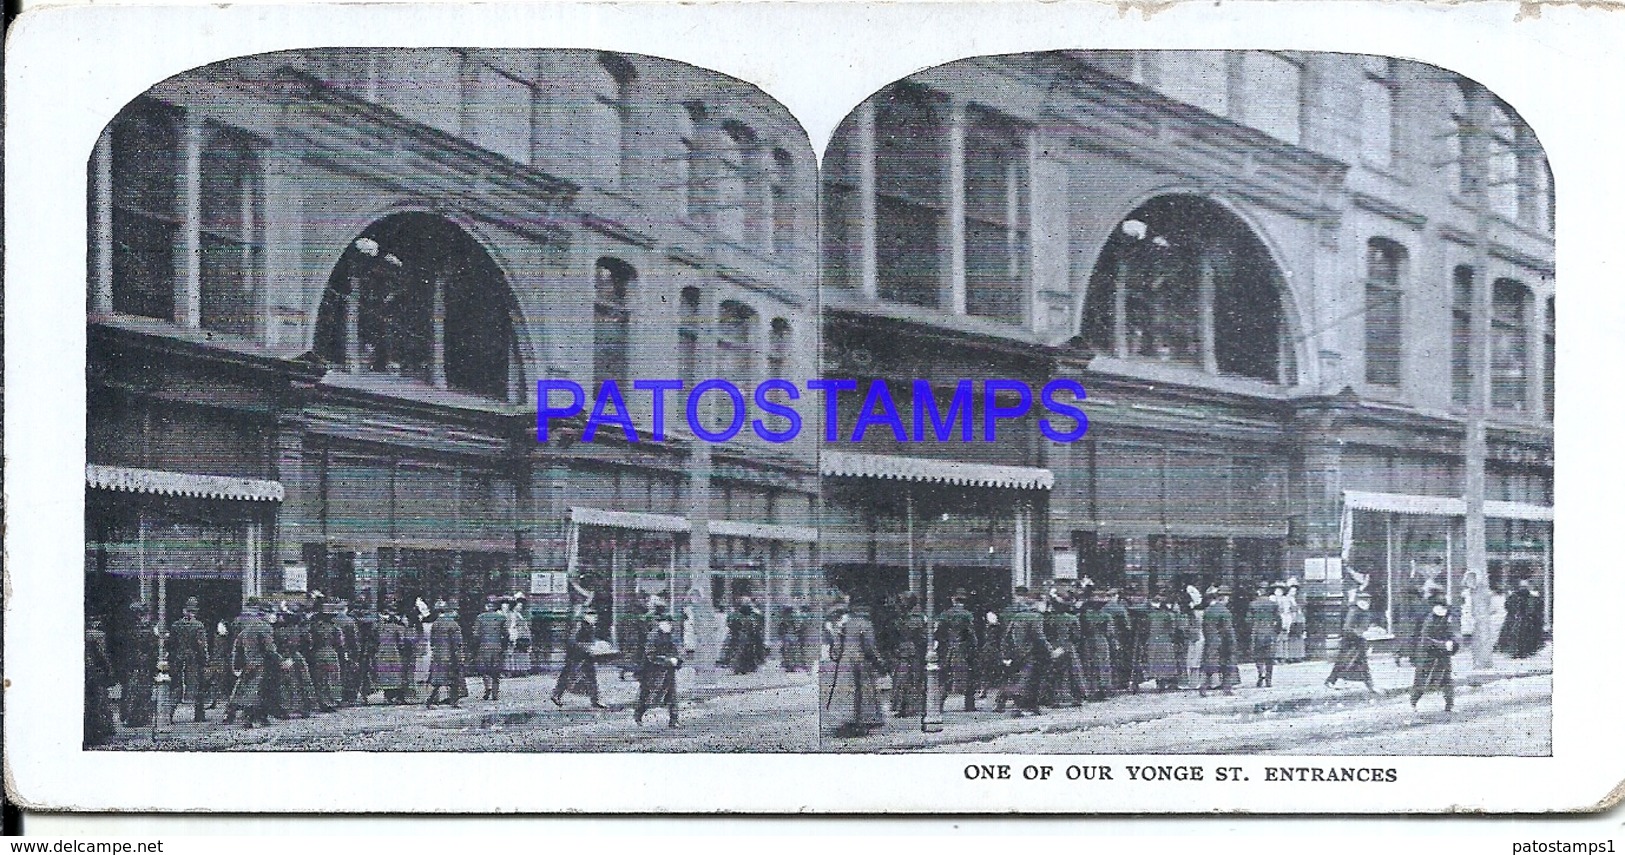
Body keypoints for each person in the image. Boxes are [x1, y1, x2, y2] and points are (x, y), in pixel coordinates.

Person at [827, 603, 884, 736]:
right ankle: (861, 722)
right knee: (864, 691)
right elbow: (870, 647)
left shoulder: (844, 624)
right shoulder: (866, 624)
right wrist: (879, 661)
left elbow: (836, 648)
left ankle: (845, 721)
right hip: (860, 661)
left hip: (845, 662)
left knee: (846, 691)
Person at [995, 590, 1054, 716]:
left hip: (1016, 652)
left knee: (1015, 678)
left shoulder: (1018, 615)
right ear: (1037, 603)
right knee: (1029, 680)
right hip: (1030, 652)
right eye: (1044, 602)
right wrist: (1050, 650)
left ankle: (1004, 702)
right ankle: (1021, 707)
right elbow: (1039, 636)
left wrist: (1006, 652)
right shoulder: (1037, 616)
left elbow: (1007, 635)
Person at [226, 598, 279, 729]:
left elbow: (237, 644)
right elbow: (270, 649)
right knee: (257, 691)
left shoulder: (249, 626)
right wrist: (280, 660)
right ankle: (252, 718)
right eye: (271, 613)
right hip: (261, 663)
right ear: (265, 613)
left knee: (245, 689)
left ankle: (231, 713)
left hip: (248, 662)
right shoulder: (265, 627)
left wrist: (237, 662)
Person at [1410, 593, 1460, 713]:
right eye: (1439, 607)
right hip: (1427, 655)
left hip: (1442, 655)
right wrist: (1443, 645)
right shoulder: (1429, 620)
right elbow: (1426, 640)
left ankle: (1450, 705)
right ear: (1434, 608)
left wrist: (1453, 644)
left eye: (1443, 607)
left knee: (1447, 680)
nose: (1441, 610)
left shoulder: (1446, 620)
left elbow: (1451, 635)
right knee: (1422, 680)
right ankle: (1413, 702)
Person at [551, 608, 608, 709]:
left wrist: (597, 645)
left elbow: (590, 640)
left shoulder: (590, 627)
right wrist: (586, 647)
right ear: (585, 616)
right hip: (575, 656)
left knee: (591, 677)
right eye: (591, 615)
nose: (594, 618)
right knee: (568, 675)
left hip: (585, 656)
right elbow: (573, 641)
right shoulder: (580, 626)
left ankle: (595, 700)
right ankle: (556, 695)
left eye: (595, 615)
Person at [634, 616, 682, 727]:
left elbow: (678, 650)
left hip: (668, 670)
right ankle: (638, 713)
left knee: (672, 695)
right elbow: (650, 655)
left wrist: (677, 660)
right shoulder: (653, 636)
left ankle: (674, 720)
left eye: (670, 623)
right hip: (652, 671)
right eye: (666, 623)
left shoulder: (672, 635)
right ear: (660, 624)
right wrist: (667, 660)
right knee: (647, 694)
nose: (669, 626)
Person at [1326, 591, 1379, 693]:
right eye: (1363, 600)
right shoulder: (1354, 610)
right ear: (1358, 601)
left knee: (1362, 664)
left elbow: (1364, 625)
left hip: (1358, 643)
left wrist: (1372, 629)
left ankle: (1370, 685)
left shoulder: (1365, 612)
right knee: (1343, 662)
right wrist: (1360, 633)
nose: (1366, 603)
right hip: (1350, 643)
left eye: (1367, 600)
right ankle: (1331, 681)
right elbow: (1347, 628)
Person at [117, 601, 158, 728]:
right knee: (141, 690)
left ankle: (127, 716)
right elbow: (152, 647)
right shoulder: (145, 630)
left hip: (129, 663)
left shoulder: (125, 629)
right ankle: (137, 717)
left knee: (129, 690)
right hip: (142, 664)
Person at [168, 597, 210, 723]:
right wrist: (205, 659)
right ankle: (199, 715)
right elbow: (201, 645)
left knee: (176, 686)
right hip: (194, 659)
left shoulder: (175, 625)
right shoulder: (198, 626)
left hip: (178, 658)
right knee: (198, 686)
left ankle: (169, 713)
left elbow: (171, 644)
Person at [935, 592, 978, 713]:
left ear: (953, 600)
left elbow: (938, 631)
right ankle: (969, 705)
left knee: (946, 677)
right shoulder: (967, 615)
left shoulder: (945, 614)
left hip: (948, 649)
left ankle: (939, 705)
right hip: (963, 650)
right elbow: (971, 634)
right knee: (969, 677)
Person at [272, 606, 317, 719]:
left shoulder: (278, 631)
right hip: (296, 656)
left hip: (285, 657)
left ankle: (286, 709)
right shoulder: (297, 630)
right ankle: (305, 707)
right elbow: (306, 643)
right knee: (302, 681)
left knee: (286, 683)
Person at [1042, 591, 1084, 707]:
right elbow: (1077, 636)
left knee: (1053, 673)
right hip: (1068, 647)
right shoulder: (1072, 619)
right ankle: (1077, 698)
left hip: (1054, 647)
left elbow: (1045, 634)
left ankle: (1052, 699)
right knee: (1073, 673)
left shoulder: (1048, 619)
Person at [425, 600, 467, 708]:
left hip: (438, 655)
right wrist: (460, 656)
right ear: (451, 611)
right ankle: (454, 701)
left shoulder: (436, 623)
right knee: (455, 679)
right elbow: (457, 643)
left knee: (437, 680)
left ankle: (432, 700)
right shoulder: (453, 624)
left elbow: (433, 641)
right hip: (451, 656)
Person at [891, 594, 927, 717]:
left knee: (909, 679)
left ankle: (909, 707)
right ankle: (905, 707)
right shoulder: (905, 619)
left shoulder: (913, 619)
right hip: (906, 652)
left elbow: (921, 637)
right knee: (905, 680)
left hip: (910, 652)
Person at [1198, 586, 1239, 697]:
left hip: (1210, 641)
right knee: (1228, 664)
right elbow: (1228, 630)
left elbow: (1205, 627)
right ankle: (1227, 688)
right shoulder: (1225, 611)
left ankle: (1203, 687)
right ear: (1224, 597)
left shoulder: (1208, 610)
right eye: (1228, 597)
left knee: (1210, 665)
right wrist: (1232, 643)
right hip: (1223, 642)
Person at [1141, 591, 1185, 692]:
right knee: (1166, 662)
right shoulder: (1168, 615)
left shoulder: (1150, 615)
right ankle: (1169, 682)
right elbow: (1173, 629)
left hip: (1152, 640)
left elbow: (1146, 628)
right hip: (1165, 641)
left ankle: (1159, 683)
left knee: (1155, 662)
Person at [1077, 590, 1114, 702]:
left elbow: (1081, 630)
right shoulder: (1106, 616)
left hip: (1088, 641)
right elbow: (1110, 632)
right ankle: (1103, 689)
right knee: (1103, 664)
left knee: (1090, 664)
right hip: (1101, 640)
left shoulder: (1085, 615)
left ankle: (1092, 689)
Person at [85, 615, 116, 746]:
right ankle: (100, 730)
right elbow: (102, 654)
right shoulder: (98, 635)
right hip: (94, 670)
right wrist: (110, 670)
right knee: (99, 699)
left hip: (86, 669)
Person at [1496, 578, 1546, 659]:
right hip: (1516, 620)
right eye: (1522, 586)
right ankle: (1514, 651)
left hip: (1528, 621)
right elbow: (1508, 606)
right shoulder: (1513, 597)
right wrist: (1515, 613)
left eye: (1525, 586)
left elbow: (1536, 609)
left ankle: (1528, 650)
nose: (1523, 588)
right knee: (1514, 632)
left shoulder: (1533, 598)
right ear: (1519, 587)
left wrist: (1531, 615)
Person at [471, 596, 509, 701]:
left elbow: (475, 635)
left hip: (484, 647)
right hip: (497, 647)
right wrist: (503, 646)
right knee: (496, 671)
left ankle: (488, 687)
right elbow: (506, 634)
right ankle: (495, 694)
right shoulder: (501, 618)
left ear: (486, 606)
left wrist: (475, 646)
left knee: (484, 670)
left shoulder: (480, 617)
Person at [308, 605, 343, 712]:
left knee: (320, 679)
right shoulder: (335, 628)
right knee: (333, 678)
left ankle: (323, 701)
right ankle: (333, 700)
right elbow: (340, 643)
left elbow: (310, 642)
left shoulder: (313, 627)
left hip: (318, 654)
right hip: (331, 654)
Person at [374, 610, 412, 704]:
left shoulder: (380, 628)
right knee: (397, 676)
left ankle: (387, 696)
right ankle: (399, 697)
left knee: (386, 676)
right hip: (394, 654)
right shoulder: (398, 628)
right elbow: (402, 642)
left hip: (381, 654)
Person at [1245, 585, 1280, 688]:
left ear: (1258, 592)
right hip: (1270, 632)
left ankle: (1261, 674)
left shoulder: (1253, 604)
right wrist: (1276, 632)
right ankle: (1269, 679)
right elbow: (1278, 620)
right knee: (1270, 658)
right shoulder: (1273, 604)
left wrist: (1251, 631)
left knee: (1258, 656)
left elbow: (1248, 620)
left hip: (1257, 633)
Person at [506, 592, 534, 677]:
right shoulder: (512, 614)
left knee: (522, 653)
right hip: (517, 635)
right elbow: (512, 625)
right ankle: (515, 670)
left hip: (522, 635)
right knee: (515, 653)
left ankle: (522, 670)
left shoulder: (521, 614)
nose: (520, 606)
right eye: (518, 604)